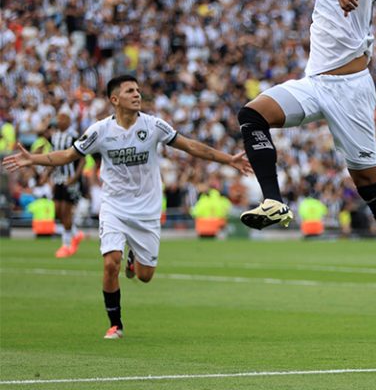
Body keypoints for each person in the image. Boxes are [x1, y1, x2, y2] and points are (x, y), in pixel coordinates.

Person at [235, 0, 376, 312]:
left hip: (350, 89)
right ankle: (273, 201)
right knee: (252, 114)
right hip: (315, 83)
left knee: (368, 182)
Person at [2, 74, 252, 340]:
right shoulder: (99, 131)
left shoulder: (154, 125)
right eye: (130, 91)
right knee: (111, 263)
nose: (137, 95)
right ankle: (115, 323)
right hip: (114, 206)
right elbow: (68, 155)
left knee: (145, 276)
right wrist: (33, 160)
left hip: (147, 210)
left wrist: (228, 159)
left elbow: (189, 146)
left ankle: (134, 258)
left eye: (138, 90)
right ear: (114, 99)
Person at [42, 112, 85, 258]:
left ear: (67, 120)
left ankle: (66, 246)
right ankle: (76, 233)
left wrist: (75, 177)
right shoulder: (54, 137)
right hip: (58, 179)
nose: (58, 122)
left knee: (66, 212)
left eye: (60, 119)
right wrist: (46, 174)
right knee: (58, 211)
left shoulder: (74, 136)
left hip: (70, 179)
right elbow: (53, 159)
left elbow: (83, 160)